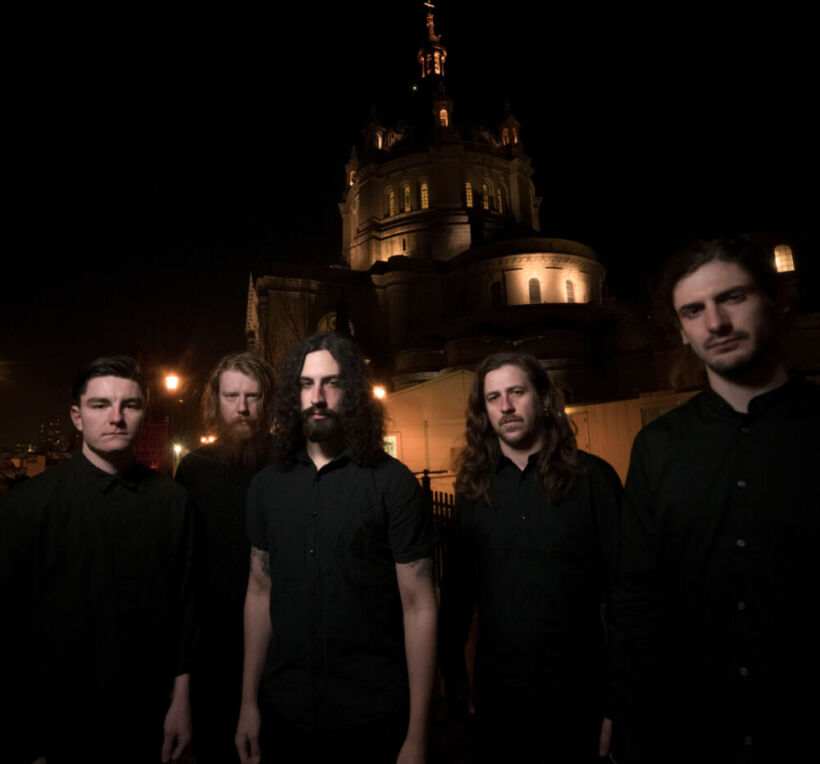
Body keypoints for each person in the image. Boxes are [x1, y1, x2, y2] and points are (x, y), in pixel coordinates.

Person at [621, 237, 820, 762]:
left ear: (774, 302)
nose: (715, 323)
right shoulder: (657, 447)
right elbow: (637, 595)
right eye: (694, 310)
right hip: (695, 728)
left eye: (732, 298)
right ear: (681, 332)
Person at [235, 332, 437, 764]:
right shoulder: (266, 486)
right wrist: (248, 702)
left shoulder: (393, 483)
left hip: (373, 716)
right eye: (306, 384)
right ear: (293, 395)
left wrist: (418, 736)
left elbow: (419, 606)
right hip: (285, 714)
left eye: (332, 382)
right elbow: (259, 592)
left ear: (354, 392)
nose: (318, 397)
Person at [0, 356, 194, 764]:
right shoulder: (26, 506)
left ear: (143, 415)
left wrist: (182, 700)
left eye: (130, 405)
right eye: (100, 404)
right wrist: (24, 742)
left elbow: (184, 608)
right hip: (58, 727)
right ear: (77, 416)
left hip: (149, 722)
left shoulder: (173, 501)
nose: (116, 417)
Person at [439, 351, 622, 763]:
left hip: (580, 698)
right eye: (493, 397)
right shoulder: (472, 489)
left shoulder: (594, 480)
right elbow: (456, 595)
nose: (505, 406)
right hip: (497, 701)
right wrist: (453, 676)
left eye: (516, 392)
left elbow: (627, 597)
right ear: (484, 411)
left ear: (543, 399)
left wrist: (618, 700)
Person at [175, 352, 275, 763]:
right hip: (211, 649)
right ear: (215, 402)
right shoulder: (192, 469)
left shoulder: (289, 465)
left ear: (268, 401)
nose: (242, 407)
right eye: (232, 396)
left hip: (279, 645)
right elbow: (182, 569)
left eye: (253, 396)